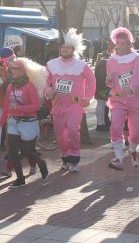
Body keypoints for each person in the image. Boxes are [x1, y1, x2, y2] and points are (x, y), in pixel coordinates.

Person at [45, 29, 96, 172]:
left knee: (73, 130)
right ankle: (65, 158)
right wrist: (47, 90)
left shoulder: (81, 65)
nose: (65, 49)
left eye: (67, 47)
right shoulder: (51, 64)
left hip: (75, 105)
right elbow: (45, 81)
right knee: (60, 135)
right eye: (63, 47)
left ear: (73, 50)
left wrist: (88, 97)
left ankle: (74, 158)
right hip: (58, 105)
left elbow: (92, 80)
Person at [0, 57, 49, 188]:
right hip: (13, 122)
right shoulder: (10, 86)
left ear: (24, 71)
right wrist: (1, 122)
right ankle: (20, 179)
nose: (12, 71)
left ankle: (41, 163)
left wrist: (19, 108)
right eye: (11, 68)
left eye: (16, 68)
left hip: (28, 122)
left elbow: (36, 106)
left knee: (27, 152)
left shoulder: (29, 86)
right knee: (13, 152)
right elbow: (6, 107)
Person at [106, 27, 139, 170]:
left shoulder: (136, 59)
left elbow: (137, 77)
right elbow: (109, 83)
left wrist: (129, 89)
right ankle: (118, 157)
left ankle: (132, 149)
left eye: (123, 43)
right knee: (115, 127)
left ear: (129, 44)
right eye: (117, 43)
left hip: (136, 99)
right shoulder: (111, 61)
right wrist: (109, 79)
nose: (119, 45)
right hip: (118, 99)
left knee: (135, 133)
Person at [94, 52, 111, 131]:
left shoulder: (100, 64)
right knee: (101, 106)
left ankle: (100, 123)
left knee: (100, 106)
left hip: (99, 87)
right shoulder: (106, 64)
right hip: (104, 88)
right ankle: (100, 124)